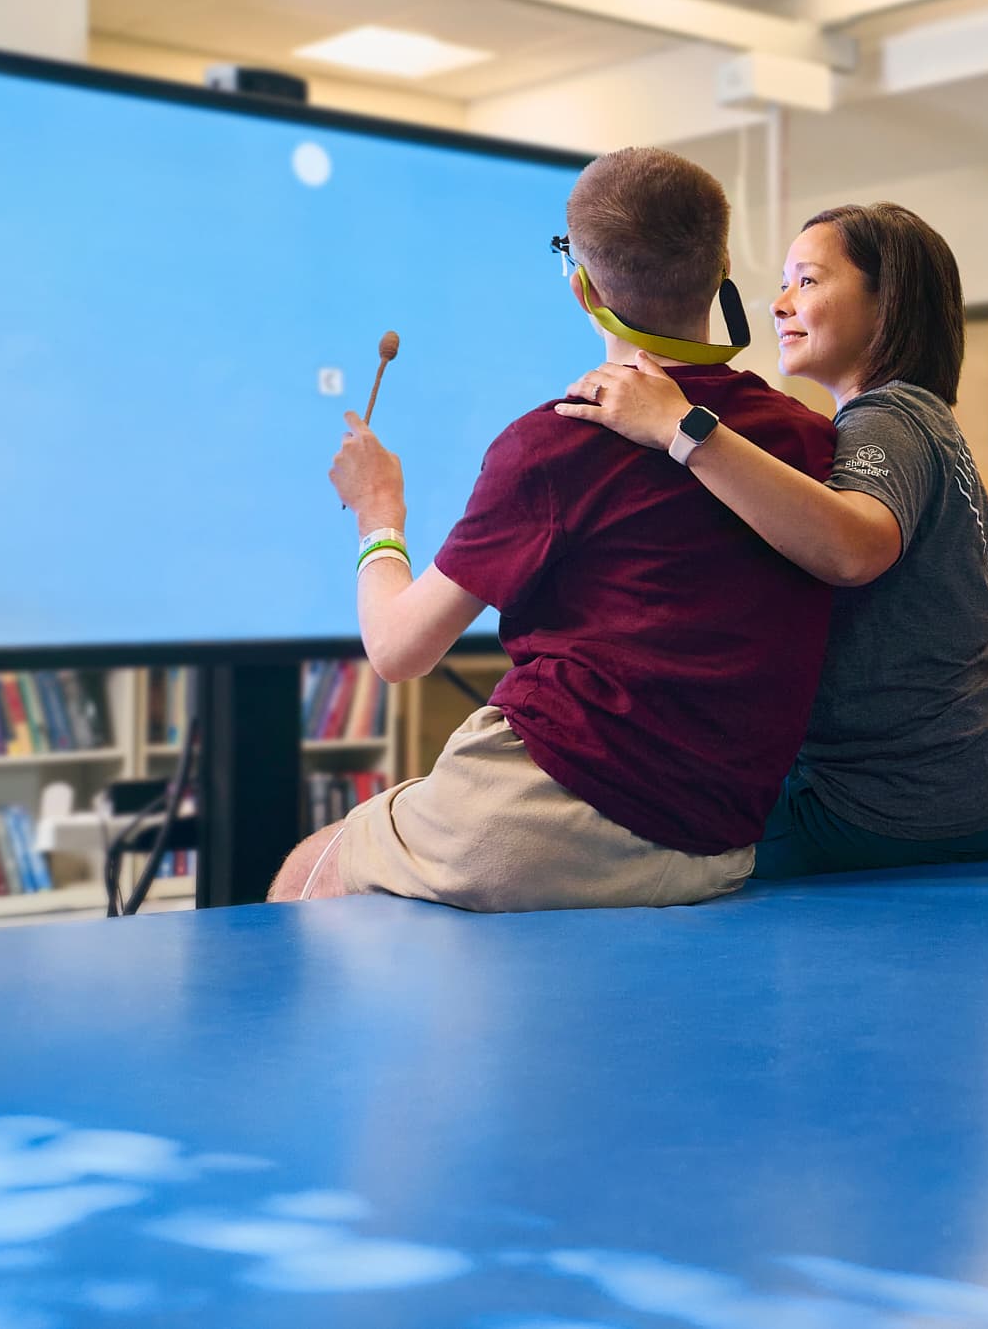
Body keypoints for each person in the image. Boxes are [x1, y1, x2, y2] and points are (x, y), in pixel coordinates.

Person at [271, 148, 836, 910]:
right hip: (716, 843)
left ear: (583, 286)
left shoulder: (555, 442)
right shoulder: (805, 437)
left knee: (312, 863)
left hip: (536, 823)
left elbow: (399, 650)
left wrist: (380, 513)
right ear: (719, 270)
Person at [558, 202, 988, 878]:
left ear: (887, 304)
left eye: (808, 282)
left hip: (898, 806)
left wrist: (679, 426)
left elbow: (853, 549)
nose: (780, 304)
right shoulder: (929, 420)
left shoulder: (889, 419)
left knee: (621, 835)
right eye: (784, 284)